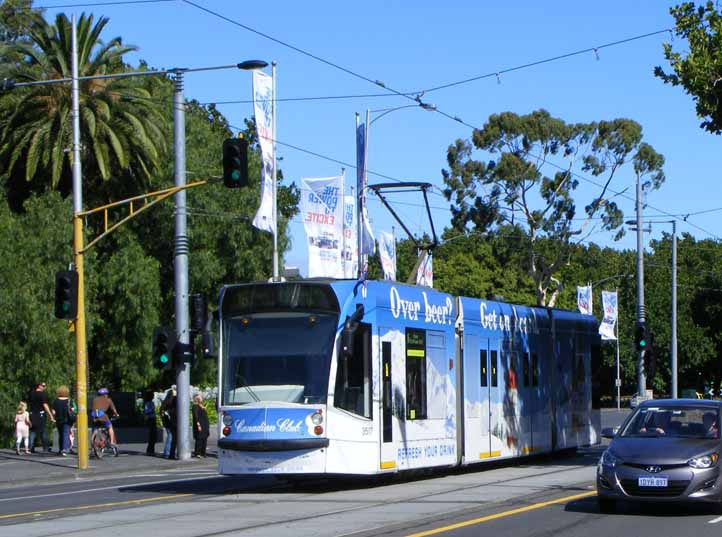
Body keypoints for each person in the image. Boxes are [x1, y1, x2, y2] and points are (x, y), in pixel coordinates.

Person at [28, 382, 55, 452]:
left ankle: (31, 447)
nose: (44, 387)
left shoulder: (31, 393)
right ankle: (45, 447)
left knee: (32, 431)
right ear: (39, 386)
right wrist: (50, 415)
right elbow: (45, 405)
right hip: (40, 414)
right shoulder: (42, 394)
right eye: (43, 386)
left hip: (32, 414)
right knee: (43, 431)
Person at [51, 385, 73, 456]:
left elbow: (53, 411)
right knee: (66, 433)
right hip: (67, 419)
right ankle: (64, 449)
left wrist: (54, 417)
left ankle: (60, 449)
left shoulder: (55, 401)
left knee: (60, 434)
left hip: (58, 419)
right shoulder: (69, 400)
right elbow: (73, 409)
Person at [192, 393, 210, 458]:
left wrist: (203, 408)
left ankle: (203, 452)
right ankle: (197, 453)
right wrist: (198, 424)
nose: (202, 398)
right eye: (200, 397)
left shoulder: (201, 405)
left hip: (205, 424)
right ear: (197, 399)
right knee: (199, 438)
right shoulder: (195, 406)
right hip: (200, 424)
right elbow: (195, 416)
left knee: (204, 438)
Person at [161, 388, 177, 459]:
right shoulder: (170, 402)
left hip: (168, 422)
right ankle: (167, 453)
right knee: (170, 437)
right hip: (170, 422)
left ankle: (167, 452)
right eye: (174, 393)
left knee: (170, 436)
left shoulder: (166, 402)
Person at [143, 391, 157, 456]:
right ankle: (150, 450)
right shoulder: (148, 403)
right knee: (152, 435)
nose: (153, 396)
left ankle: (151, 450)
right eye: (152, 395)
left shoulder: (151, 402)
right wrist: (151, 410)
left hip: (153, 419)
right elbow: (146, 411)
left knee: (153, 436)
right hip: (150, 419)